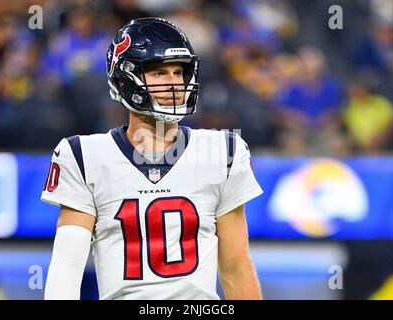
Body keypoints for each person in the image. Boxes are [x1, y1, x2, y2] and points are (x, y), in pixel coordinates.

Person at [41, 17, 264, 300]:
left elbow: (236, 268)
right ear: (124, 79)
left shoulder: (223, 151)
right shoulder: (84, 156)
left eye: (179, 72)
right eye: (159, 73)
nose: (174, 83)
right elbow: (67, 267)